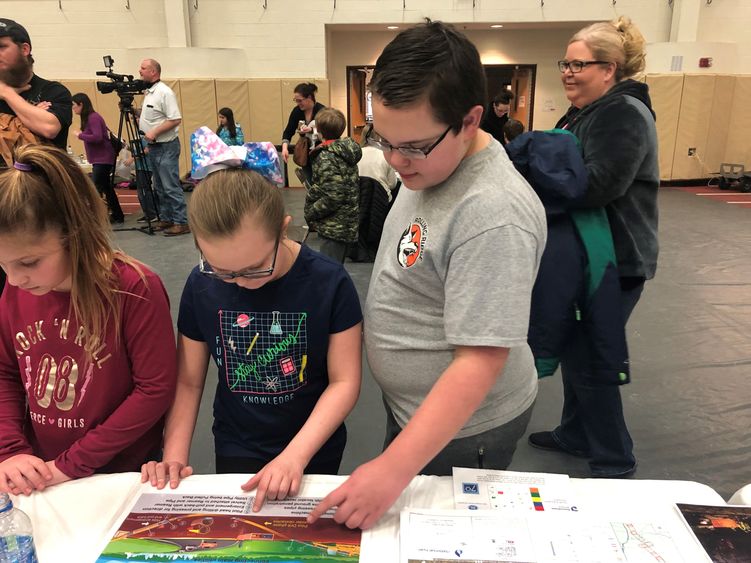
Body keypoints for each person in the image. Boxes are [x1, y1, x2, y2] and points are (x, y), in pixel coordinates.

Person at [308, 20, 546, 530]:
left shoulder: (492, 214)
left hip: (465, 427)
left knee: (441, 538)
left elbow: (479, 362)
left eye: (412, 146)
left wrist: (393, 469)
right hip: (418, 409)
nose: (395, 161)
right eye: (383, 139)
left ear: (469, 120)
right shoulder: (432, 162)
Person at [140, 167, 362, 512]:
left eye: (255, 267)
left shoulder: (329, 282)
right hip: (237, 443)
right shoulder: (201, 284)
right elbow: (187, 381)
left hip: (313, 443)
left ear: (283, 228)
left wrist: (294, 457)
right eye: (224, 272)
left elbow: (344, 381)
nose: (240, 282)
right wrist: (174, 456)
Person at [0, 144, 177, 496]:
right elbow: (5, 372)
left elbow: (154, 389)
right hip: (41, 470)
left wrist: (73, 463)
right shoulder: (16, 289)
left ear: (74, 232)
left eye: (29, 262)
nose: (14, 278)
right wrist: (10, 451)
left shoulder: (134, 288)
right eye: (2, 265)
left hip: (125, 473)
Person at [527, 16, 659, 478]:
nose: (567, 71)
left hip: (615, 260)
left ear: (610, 68)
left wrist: (535, 170)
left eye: (578, 64)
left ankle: (613, 459)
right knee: (576, 349)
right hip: (591, 255)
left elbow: (598, 186)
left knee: (589, 357)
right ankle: (576, 433)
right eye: (565, 62)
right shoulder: (588, 112)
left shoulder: (622, 114)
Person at [0, 19, 71, 152]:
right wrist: (31, 117)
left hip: (41, 172)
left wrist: (6, 92)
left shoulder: (52, 91)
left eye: (1, 46)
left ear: (24, 49)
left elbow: (49, 128)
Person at [138, 58, 190, 237]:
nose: (140, 71)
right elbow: (156, 116)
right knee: (159, 186)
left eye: (143, 68)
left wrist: (154, 132)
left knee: (170, 186)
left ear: (154, 72)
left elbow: (175, 119)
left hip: (166, 146)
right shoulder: (149, 93)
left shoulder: (164, 92)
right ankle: (167, 218)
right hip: (154, 147)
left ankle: (181, 222)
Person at [304, 107, 361, 263]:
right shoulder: (346, 151)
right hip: (345, 222)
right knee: (335, 269)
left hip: (333, 226)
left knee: (330, 272)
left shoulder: (327, 157)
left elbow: (333, 196)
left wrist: (311, 211)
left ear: (319, 130)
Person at [71, 92, 125, 224]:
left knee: (96, 189)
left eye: (74, 105)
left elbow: (98, 137)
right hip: (100, 158)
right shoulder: (90, 117)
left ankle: (96, 217)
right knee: (107, 188)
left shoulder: (93, 117)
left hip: (103, 158)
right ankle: (117, 215)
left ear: (81, 104)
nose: (73, 108)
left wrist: (80, 135)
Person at [281, 83, 325, 183]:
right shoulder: (297, 111)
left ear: (309, 97)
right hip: (306, 154)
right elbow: (288, 131)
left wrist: (313, 130)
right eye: (296, 100)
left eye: (300, 100)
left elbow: (328, 133)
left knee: (321, 183)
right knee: (309, 183)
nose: (298, 103)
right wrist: (284, 148)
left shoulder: (322, 111)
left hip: (321, 154)